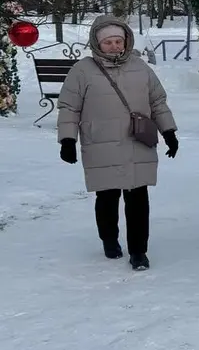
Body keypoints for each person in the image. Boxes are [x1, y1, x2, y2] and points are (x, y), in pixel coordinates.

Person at [56, 15, 178, 271]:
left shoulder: (140, 67)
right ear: (97, 44)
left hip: (137, 141)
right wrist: (67, 139)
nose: (113, 46)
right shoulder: (82, 70)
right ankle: (109, 240)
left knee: (138, 198)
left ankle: (138, 251)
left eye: (118, 41)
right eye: (108, 42)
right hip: (101, 142)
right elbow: (69, 107)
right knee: (107, 196)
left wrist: (169, 132)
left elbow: (157, 101)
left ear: (126, 42)